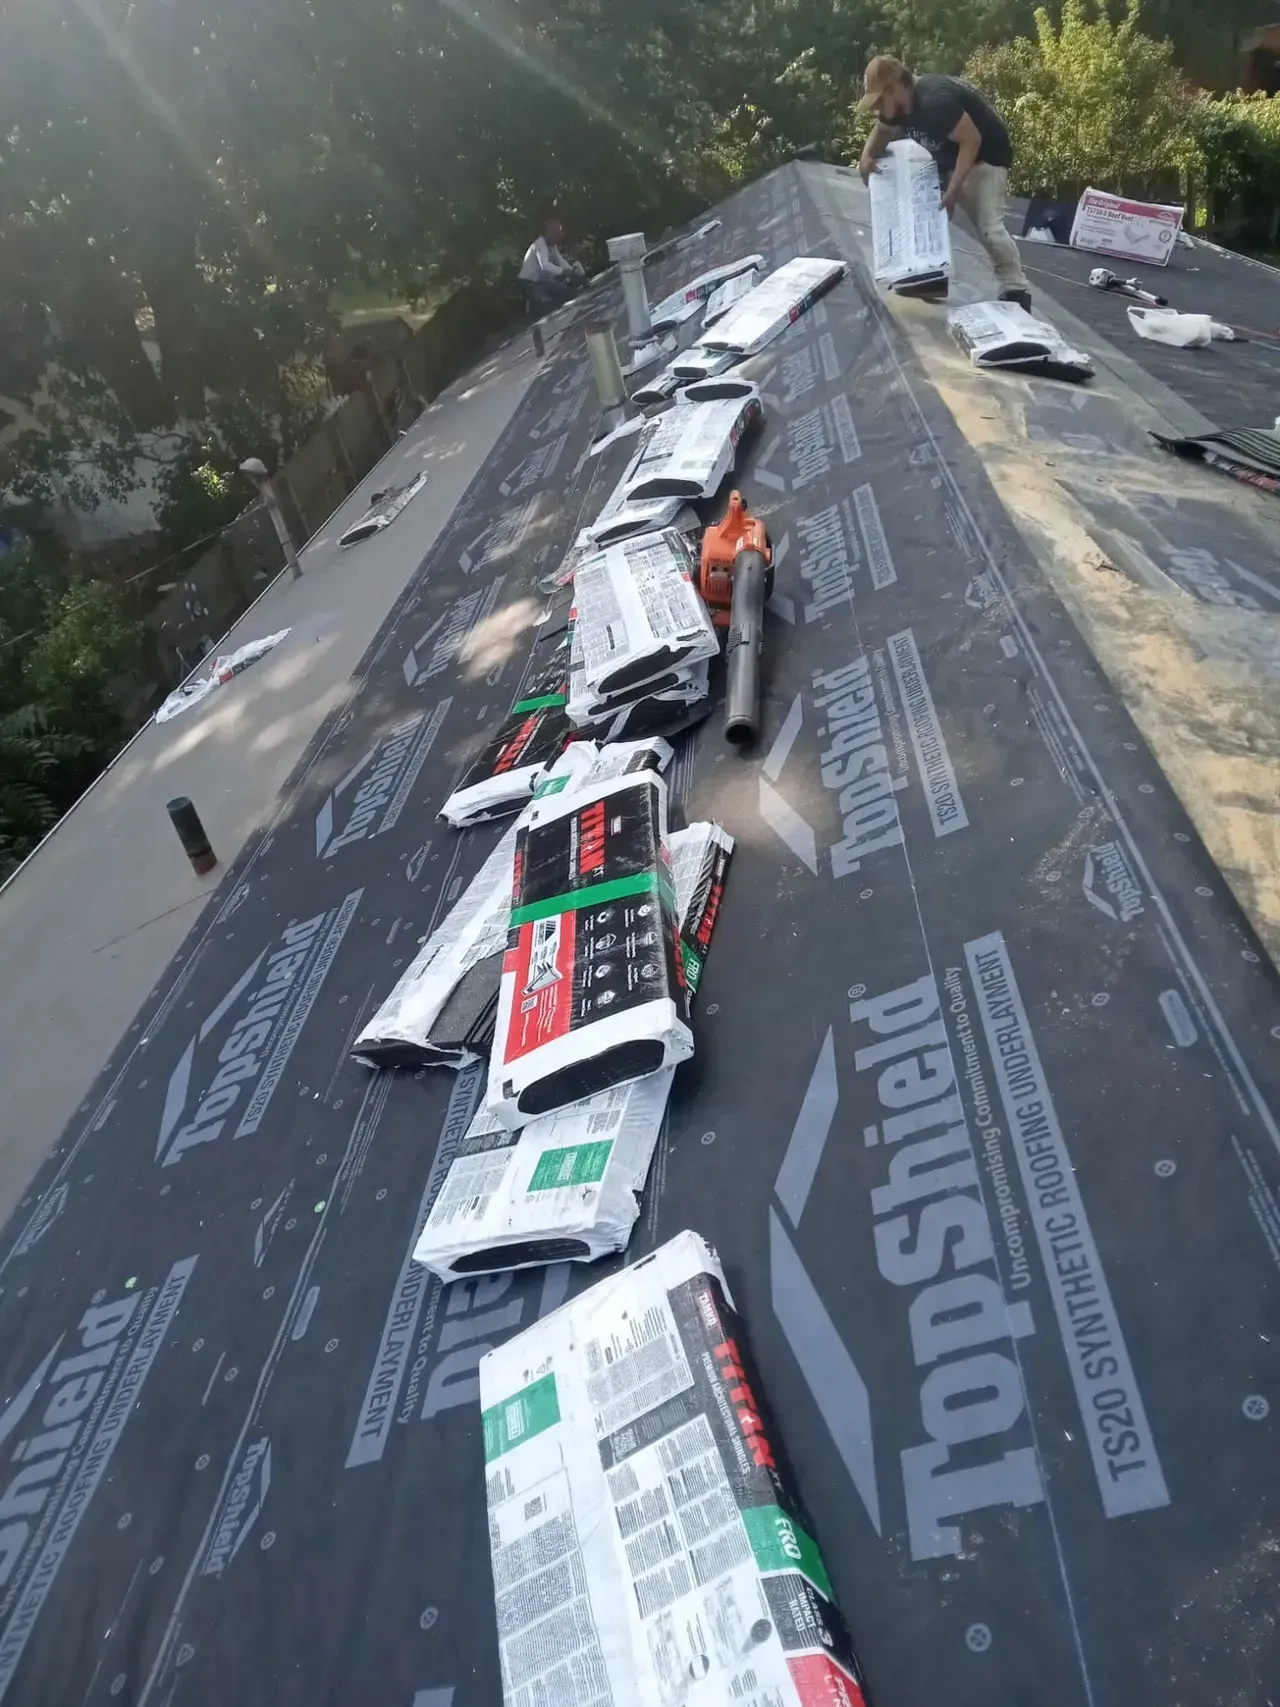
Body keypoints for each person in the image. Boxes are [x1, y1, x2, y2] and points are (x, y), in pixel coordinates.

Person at [857, 54, 1032, 311]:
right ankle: (929, 277)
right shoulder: (896, 107)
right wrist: (866, 159)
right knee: (925, 210)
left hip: (986, 156)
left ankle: (1016, 290)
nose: (877, 109)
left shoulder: (934, 100)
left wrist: (953, 189)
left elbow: (972, 140)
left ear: (895, 89)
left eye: (879, 101)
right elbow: (882, 132)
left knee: (988, 228)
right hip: (950, 155)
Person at [518, 217, 585, 317]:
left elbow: (560, 260)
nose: (558, 239)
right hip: (529, 282)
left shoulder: (552, 245)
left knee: (564, 294)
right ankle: (531, 308)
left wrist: (571, 271)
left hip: (540, 281)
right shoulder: (540, 244)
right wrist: (563, 272)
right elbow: (544, 265)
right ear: (550, 233)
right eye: (556, 236)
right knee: (548, 305)